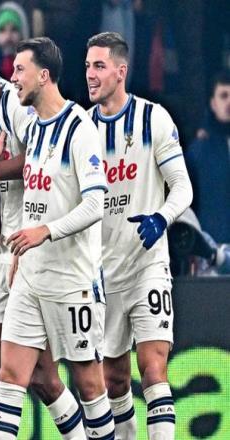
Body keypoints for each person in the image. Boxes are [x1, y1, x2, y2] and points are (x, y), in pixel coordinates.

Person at [0, 55, 90, 438]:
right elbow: (9, 189)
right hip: (5, 249)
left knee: (48, 378)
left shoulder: (18, 108)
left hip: (33, 253)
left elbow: (38, 161)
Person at [0, 37, 114, 440]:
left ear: (43, 76)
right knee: (9, 376)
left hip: (72, 281)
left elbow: (95, 204)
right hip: (30, 277)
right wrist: (21, 253)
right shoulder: (35, 130)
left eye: (19, 70)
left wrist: (46, 231)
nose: (13, 78)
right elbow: (36, 197)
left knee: (90, 386)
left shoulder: (80, 128)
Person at [86, 32, 193, 440]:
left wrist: (161, 219)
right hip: (101, 273)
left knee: (153, 369)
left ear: (121, 71)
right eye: (87, 66)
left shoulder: (154, 119)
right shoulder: (83, 129)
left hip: (148, 265)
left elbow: (182, 187)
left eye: (99, 66)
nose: (91, 75)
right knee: (113, 379)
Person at [186, 70, 230, 244]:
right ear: (213, 104)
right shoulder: (198, 151)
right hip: (212, 248)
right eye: (224, 96)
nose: (229, 102)